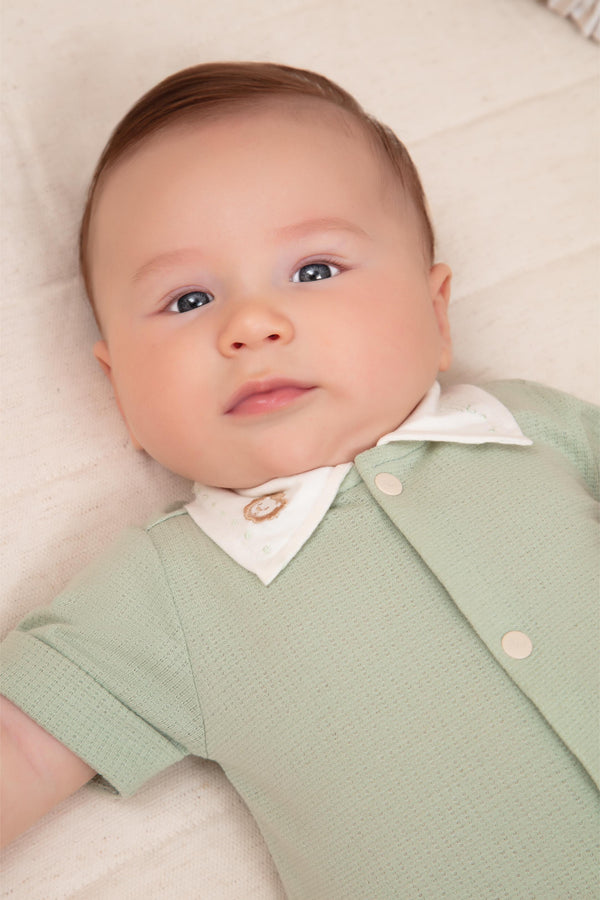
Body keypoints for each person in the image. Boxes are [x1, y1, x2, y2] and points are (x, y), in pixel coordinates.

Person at [1, 62, 598, 898]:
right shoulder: (176, 586)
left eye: (314, 271)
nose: (251, 324)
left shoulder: (533, 428)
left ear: (436, 317)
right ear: (120, 392)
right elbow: (23, 743)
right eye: (187, 300)